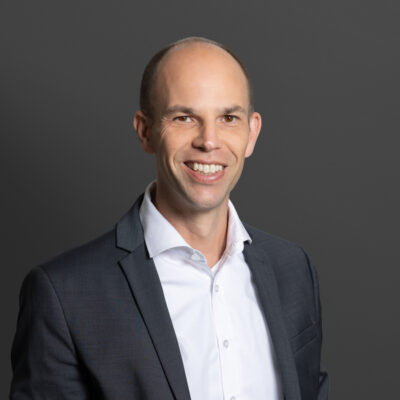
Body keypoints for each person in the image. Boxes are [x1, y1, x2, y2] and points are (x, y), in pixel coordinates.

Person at [10, 36, 329, 400]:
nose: (209, 141)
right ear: (145, 131)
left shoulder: (294, 270)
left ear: (251, 133)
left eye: (228, 118)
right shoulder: (65, 295)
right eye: (184, 117)